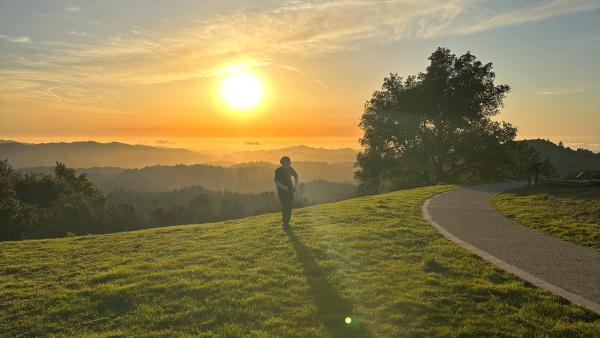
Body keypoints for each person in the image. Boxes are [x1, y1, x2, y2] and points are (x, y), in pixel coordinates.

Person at [274, 156, 298, 228]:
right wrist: (284, 188)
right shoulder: (278, 171)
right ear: (282, 163)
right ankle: (284, 222)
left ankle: (286, 222)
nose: (287, 165)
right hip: (282, 192)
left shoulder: (290, 169)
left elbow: (296, 176)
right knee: (285, 206)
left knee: (289, 206)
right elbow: (277, 182)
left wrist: (295, 186)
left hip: (290, 191)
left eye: (288, 163)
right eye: (285, 163)